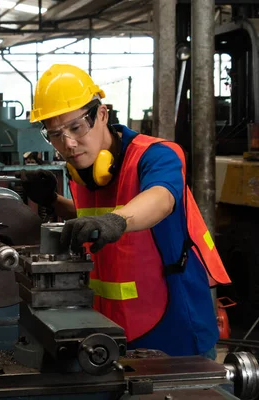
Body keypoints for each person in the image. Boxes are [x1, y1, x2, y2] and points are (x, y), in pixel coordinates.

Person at [18, 64, 231, 358]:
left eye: (76, 127)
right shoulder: (82, 170)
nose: (67, 143)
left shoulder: (157, 155)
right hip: (111, 324)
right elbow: (91, 221)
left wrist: (117, 220)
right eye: (54, 134)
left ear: (102, 115)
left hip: (173, 321)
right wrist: (52, 200)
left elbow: (160, 199)